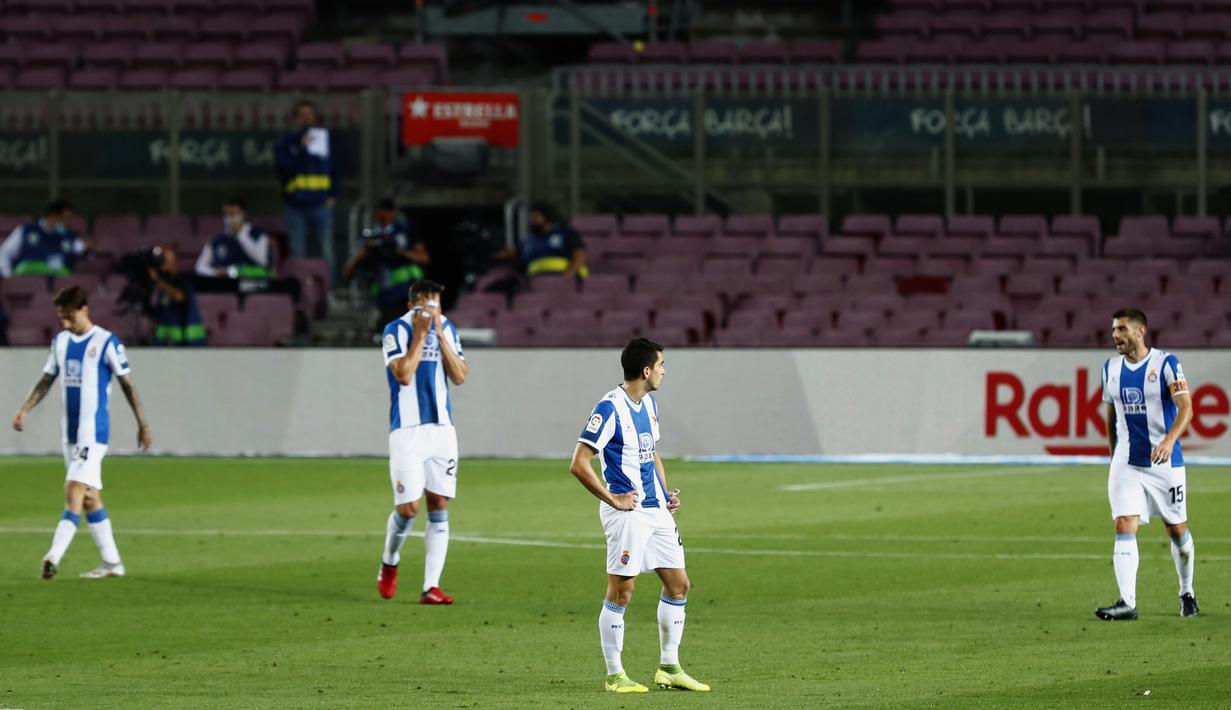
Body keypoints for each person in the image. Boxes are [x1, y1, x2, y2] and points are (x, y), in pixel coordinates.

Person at [568, 338, 709, 694]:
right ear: (646, 371)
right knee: (622, 592)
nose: (664, 371)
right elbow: (579, 463)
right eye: (661, 365)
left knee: (679, 584)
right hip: (627, 513)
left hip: (655, 509)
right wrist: (612, 498)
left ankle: (669, 668)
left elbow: (652, 453)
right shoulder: (609, 408)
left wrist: (664, 493)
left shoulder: (649, 403)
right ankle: (615, 675)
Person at [10, 285, 153, 580]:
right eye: (61, 318)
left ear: (84, 309)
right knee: (90, 499)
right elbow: (47, 379)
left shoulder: (106, 342)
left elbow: (127, 384)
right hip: (70, 433)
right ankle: (112, 563)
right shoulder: (60, 342)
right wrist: (24, 409)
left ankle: (53, 556)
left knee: (73, 490)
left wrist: (143, 423)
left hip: (93, 432)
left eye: (70, 317)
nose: (65, 323)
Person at [1095, 308, 1198, 621]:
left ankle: (1186, 591)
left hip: (1165, 464)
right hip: (1127, 462)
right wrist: (1114, 454)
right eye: (1114, 329)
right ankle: (1127, 602)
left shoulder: (1166, 364)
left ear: (1140, 331)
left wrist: (1169, 440)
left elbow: (1186, 408)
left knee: (1176, 530)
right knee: (1124, 523)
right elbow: (1111, 415)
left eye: (1122, 329)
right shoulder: (1110, 369)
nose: (1116, 335)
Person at [376, 279, 468, 605]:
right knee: (408, 508)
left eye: (436, 304)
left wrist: (439, 334)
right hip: (407, 431)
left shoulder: (448, 328)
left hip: (442, 430)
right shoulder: (395, 330)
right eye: (425, 304)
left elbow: (460, 376)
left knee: (438, 503)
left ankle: (431, 587)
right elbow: (402, 374)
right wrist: (419, 334)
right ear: (411, 306)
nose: (431, 310)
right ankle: (390, 561)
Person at [342, 198, 430, 325]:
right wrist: (362, 255)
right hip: (383, 296)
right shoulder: (370, 236)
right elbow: (348, 270)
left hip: (408, 292)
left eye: (388, 211)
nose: (384, 215)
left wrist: (401, 252)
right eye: (381, 212)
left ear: (393, 213)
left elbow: (424, 258)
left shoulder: (404, 232)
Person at [275, 100, 337, 270]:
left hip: (321, 203)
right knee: (297, 252)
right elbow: (284, 168)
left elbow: (335, 169)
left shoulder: (325, 139)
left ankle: (327, 286)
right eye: (302, 114)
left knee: (327, 251)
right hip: (295, 204)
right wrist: (301, 148)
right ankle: (299, 285)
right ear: (295, 118)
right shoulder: (287, 141)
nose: (306, 118)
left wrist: (333, 194)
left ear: (315, 116)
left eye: (309, 114)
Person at [0, 199, 87, 278]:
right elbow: (5, 252)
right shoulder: (27, 230)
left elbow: (83, 249)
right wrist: (8, 276)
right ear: (53, 216)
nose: (68, 222)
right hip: (27, 276)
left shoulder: (69, 235)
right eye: (65, 218)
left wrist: (88, 249)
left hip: (57, 279)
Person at [195, 198, 275, 279]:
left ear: (244, 214)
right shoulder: (216, 239)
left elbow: (263, 261)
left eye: (234, 214)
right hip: (224, 282)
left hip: (251, 281)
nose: (230, 218)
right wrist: (214, 273)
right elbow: (200, 266)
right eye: (227, 214)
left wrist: (240, 235)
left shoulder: (258, 234)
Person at [149, 246, 206, 346]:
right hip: (166, 342)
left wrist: (157, 280)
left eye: (163, 260)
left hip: (188, 343)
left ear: (172, 261)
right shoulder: (163, 283)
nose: (160, 264)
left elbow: (179, 297)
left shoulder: (182, 281)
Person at [520, 201, 588, 281]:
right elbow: (521, 263)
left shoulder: (565, 233)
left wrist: (567, 277)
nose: (532, 219)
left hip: (564, 279)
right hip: (536, 282)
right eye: (530, 216)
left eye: (536, 216)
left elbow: (580, 256)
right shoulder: (528, 240)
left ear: (547, 217)